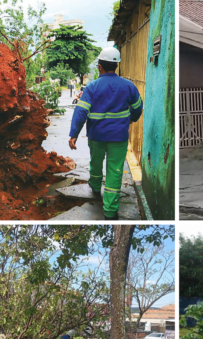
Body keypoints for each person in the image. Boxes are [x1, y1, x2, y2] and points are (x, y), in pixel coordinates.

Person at [69, 47, 143, 220]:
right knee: (115, 171)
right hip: (119, 137)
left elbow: (81, 111)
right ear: (117, 65)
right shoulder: (128, 86)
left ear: (100, 66)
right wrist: (131, 119)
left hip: (96, 136)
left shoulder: (92, 87)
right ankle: (110, 211)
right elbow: (138, 108)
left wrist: (74, 134)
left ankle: (95, 187)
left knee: (95, 163)